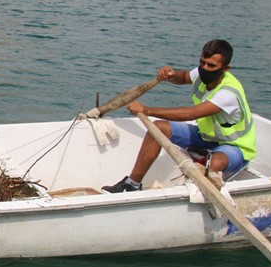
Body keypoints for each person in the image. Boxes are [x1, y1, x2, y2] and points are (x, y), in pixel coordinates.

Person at [101, 39, 255, 193]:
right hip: (206, 137)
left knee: (215, 162)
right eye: (202, 63)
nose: (204, 68)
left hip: (234, 146)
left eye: (211, 66)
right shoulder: (203, 73)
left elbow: (191, 113)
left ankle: (195, 199)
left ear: (226, 68)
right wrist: (171, 74)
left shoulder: (228, 93)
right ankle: (132, 184)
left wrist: (148, 110)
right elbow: (183, 78)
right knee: (158, 128)